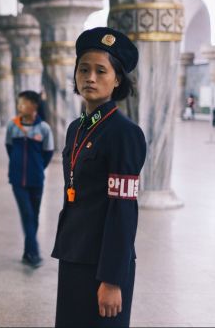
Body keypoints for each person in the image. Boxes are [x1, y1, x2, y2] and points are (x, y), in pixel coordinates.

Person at [51, 27, 147, 327]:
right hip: (73, 253)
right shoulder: (76, 128)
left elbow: (122, 209)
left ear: (117, 79)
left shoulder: (124, 133)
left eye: (101, 71)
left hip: (103, 263)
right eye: (84, 69)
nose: (90, 77)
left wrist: (112, 280)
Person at [5, 90, 54, 268]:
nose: (20, 106)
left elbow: (48, 154)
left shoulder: (44, 129)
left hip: (36, 180)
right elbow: (9, 149)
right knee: (27, 214)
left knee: (34, 215)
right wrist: (17, 167)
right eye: (19, 103)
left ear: (34, 105)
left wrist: (38, 168)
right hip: (17, 180)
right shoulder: (12, 126)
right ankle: (34, 253)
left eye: (24, 103)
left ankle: (27, 252)